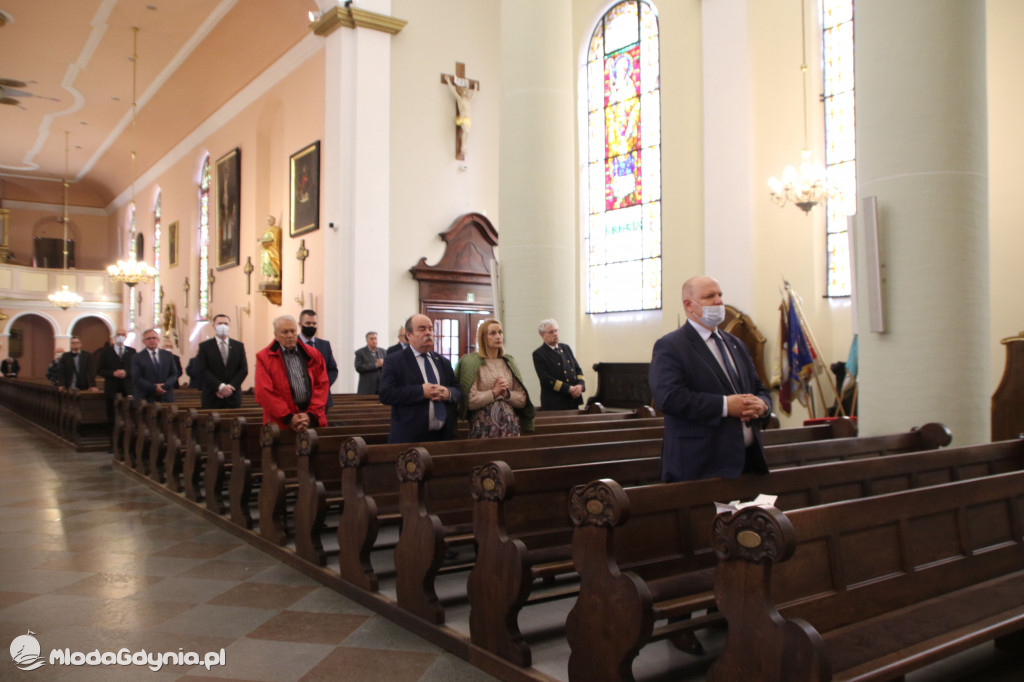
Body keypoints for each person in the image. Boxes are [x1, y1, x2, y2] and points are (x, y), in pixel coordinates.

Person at [649, 275, 772, 483]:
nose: (718, 301)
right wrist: (725, 406)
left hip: (747, 463)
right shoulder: (671, 346)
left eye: (720, 295)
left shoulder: (736, 344)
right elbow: (669, 398)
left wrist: (763, 405)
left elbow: (759, 388)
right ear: (689, 305)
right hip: (700, 465)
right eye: (709, 296)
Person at [379, 314, 462, 443]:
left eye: (430, 328)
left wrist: (448, 393)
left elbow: (458, 390)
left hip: (444, 436)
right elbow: (386, 394)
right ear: (409, 335)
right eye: (422, 329)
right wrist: (421, 391)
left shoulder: (442, 361)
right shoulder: (394, 361)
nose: (428, 333)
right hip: (410, 437)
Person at [454, 319, 534, 438]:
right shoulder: (471, 362)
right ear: (483, 337)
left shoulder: (508, 361)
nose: (498, 336)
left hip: (510, 428)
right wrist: (494, 392)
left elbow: (522, 399)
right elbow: (470, 401)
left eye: (500, 332)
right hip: (483, 429)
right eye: (492, 333)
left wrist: (507, 394)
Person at [255, 315, 329, 431]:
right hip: (281, 423)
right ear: (276, 335)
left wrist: (310, 415)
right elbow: (264, 392)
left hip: (312, 419)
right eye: (285, 332)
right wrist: (289, 417)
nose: (290, 335)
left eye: (293, 331)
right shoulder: (264, 358)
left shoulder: (313, 354)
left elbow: (322, 385)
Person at [195, 313, 248, 408]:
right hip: (212, 396)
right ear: (213, 325)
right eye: (220, 323)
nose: (223, 326)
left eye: (226, 324)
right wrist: (219, 387)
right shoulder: (205, 346)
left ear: (229, 325)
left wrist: (231, 387)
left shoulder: (238, 346)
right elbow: (202, 370)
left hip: (233, 395)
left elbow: (243, 369)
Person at [532, 319, 586, 410]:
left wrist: (580, 385)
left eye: (556, 330)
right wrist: (569, 389)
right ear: (542, 335)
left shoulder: (566, 348)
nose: (555, 334)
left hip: (573, 400)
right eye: (551, 332)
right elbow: (546, 379)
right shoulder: (539, 354)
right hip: (555, 402)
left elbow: (577, 369)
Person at [96, 328, 136, 448]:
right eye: (118, 334)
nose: (120, 336)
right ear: (114, 336)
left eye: (123, 334)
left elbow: (136, 369)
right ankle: (113, 444)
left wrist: (126, 372)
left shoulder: (132, 351)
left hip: (127, 389)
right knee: (112, 417)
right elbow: (100, 370)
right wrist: (112, 373)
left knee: (128, 417)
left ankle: (128, 444)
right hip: (112, 388)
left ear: (126, 336)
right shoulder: (106, 352)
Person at [298, 309, 338, 409]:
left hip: (322, 398)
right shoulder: (293, 344)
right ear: (300, 324)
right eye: (308, 323)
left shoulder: (325, 345)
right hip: (300, 398)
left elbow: (332, 369)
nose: (311, 326)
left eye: (314, 323)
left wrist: (322, 384)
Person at [131, 328, 179, 403]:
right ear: (143, 341)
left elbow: (174, 374)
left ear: (158, 340)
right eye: (148, 338)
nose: (152, 340)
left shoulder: (167, 355)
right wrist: (154, 387)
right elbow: (136, 377)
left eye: (154, 338)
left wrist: (164, 386)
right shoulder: (137, 357)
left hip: (166, 396)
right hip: (146, 397)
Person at [354, 331, 386, 395]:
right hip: (367, 388)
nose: (374, 341)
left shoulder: (384, 352)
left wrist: (384, 363)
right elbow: (358, 367)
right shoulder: (360, 352)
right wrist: (375, 365)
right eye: (371, 339)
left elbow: (390, 366)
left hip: (381, 386)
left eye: (375, 338)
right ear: (367, 340)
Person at [258, 215, 282, 284]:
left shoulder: (275, 229)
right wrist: (261, 240)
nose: (267, 221)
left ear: (273, 221)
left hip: (271, 250)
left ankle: (272, 276)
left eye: (269, 220)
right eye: (267, 220)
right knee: (265, 263)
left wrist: (263, 240)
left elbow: (273, 238)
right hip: (266, 249)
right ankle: (266, 277)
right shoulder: (267, 230)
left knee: (270, 262)